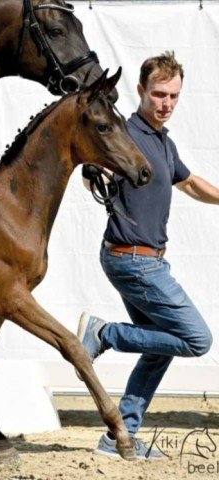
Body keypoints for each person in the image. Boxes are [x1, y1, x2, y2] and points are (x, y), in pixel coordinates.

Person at [78, 51, 219, 459]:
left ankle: (117, 436)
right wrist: (95, 173)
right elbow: (94, 170)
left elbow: (190, 184)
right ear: (141, 91)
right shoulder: (126, 133)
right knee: (196, 339)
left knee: (162, 345)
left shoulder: (164, 142)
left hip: (149, 259)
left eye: (174, 96)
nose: (166, 103)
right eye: (159, 94)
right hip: (131, 259)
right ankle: (106, 334)